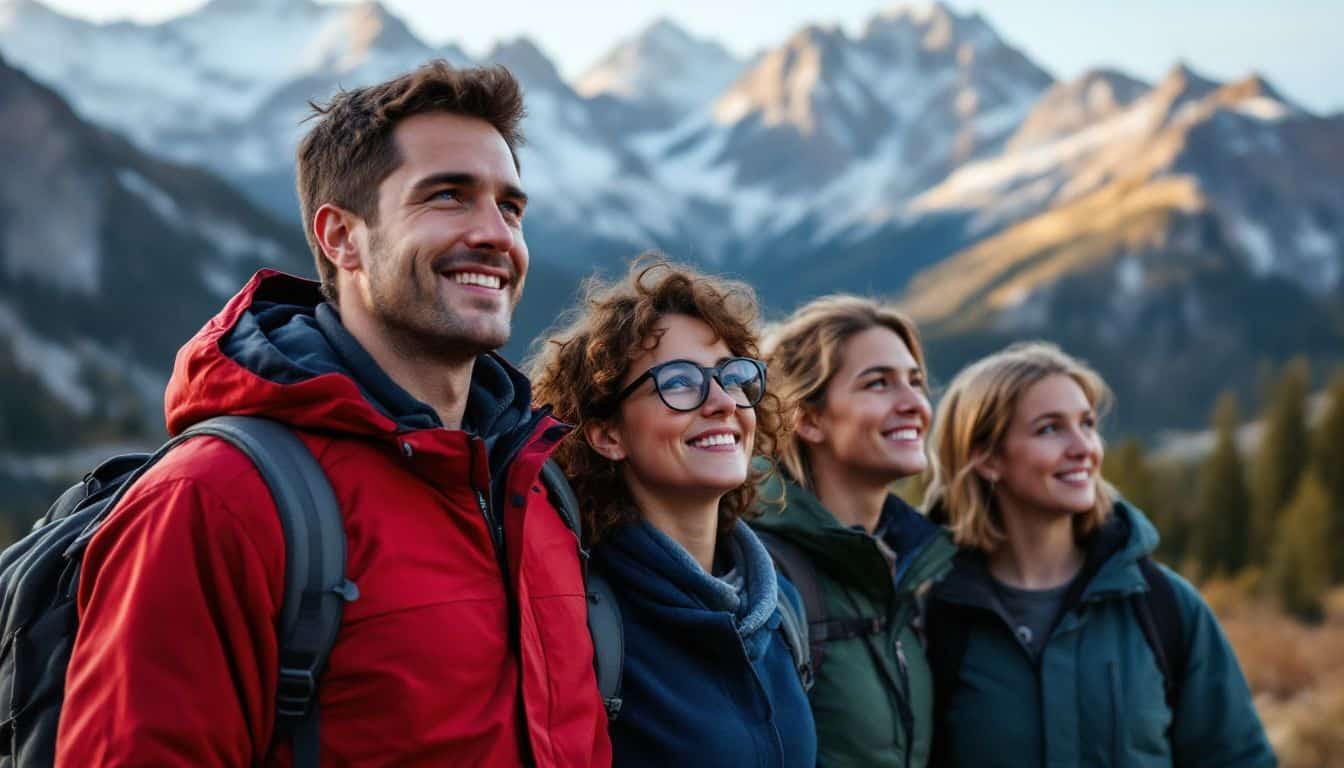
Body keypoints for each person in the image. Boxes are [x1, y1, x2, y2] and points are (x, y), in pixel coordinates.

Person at [55, 61, 612, 766]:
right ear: (341, 237)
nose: (496, 234)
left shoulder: (535, 489)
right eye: (448, 197)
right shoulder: (214, 499)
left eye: (510, 207)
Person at [922, 342, 1275, 768]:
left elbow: (1237, 759)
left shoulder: (1165, 608)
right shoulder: (933, 618)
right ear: (987, 458)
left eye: (1087, 424)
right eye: (1050, 428)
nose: (1083, 447)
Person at [528, 257, 816, 768]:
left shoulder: (779, 603)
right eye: (680, 382)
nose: (723, 401)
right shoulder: (583, 617)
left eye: (733, 377)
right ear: (607, 434)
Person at [748, 296, 956, 768]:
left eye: (916, 382)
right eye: (878, 384)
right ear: (807, 418)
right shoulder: (759, 573)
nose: (914, 404)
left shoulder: (917, 569)